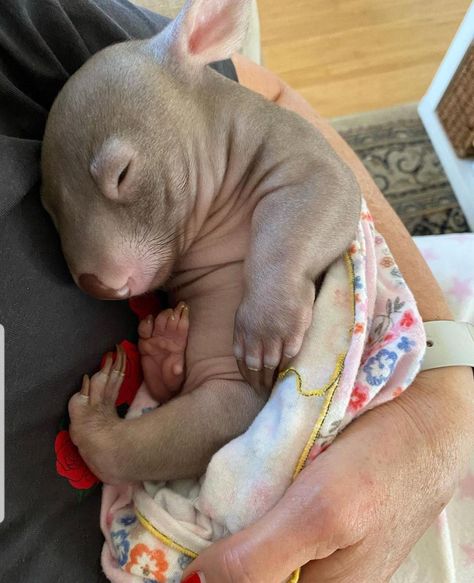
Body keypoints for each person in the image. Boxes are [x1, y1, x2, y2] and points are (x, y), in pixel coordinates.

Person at [0, 2, 472, 582]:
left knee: (233, 399)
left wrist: (279, 281)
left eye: (122, 177)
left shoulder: (214, 123)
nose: (102, 279)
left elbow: (322, 180)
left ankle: (118, 449)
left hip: (345, 409)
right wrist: (168, 379)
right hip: (227, 435)